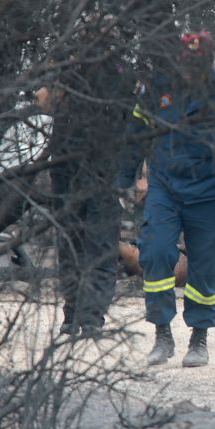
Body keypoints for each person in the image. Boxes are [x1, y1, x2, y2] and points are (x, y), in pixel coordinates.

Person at [117, 31, 215, 367]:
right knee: (157, 252)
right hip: (166, 187)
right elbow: (136, 137)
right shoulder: (157, 88)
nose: (191, 69)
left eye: (199, 62)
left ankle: (199, 337)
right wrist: (123, 181)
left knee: (206, 264)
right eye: (187, 62)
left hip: (210, 192)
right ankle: (162, 333)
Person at [36, 59, 130, 337]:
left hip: (104, 172)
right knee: (70, 244)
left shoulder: (120, 75)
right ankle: (74, 312)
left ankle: (91, 316)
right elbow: (41, 101)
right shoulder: (66, 73)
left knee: (99, 247)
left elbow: (133, 125)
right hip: (66, 170)